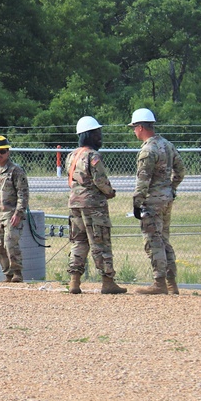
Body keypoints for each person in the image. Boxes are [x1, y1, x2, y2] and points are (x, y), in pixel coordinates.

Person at [65, 117, 126, 295]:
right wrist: (110, 192)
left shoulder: (72, 156)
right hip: (94, 205)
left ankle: (74, 281)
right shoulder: (93, 155)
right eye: (97, 133)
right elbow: (100, 180)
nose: (100, 137)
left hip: (75, 203)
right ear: (89, 135)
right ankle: (108, 282)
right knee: (100, 242)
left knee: (79, 241)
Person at [129, 108, 186, 295]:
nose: (134, 131)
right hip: (167, 199)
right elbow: (180, 170)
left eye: (134, 127)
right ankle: (171, 283)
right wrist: (172, 188)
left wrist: (137, 203)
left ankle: (159, 282)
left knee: (153, 241)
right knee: (164, 240)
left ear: (140, 127)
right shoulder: (167, 145)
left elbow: (143, 180)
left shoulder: (148, 150)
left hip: (152, 202)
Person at [0, 135, 29, 283]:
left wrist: (18, 213)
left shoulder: (16, 171)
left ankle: (17, 273)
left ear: (8, 152)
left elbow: (23, 194)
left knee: (10, 243)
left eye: (2, 151)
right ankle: (7, 274)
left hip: (11, 215)